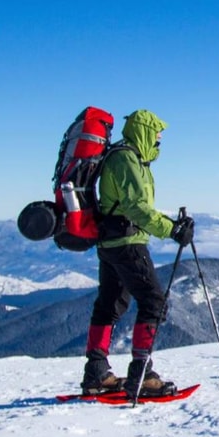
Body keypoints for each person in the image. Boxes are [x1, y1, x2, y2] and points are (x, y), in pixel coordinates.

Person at [79, 109, 195, 397]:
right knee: (153, 302)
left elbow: (130, 204)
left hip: (111, 242)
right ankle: (142, 374)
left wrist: (171, 225)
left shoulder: (128, 158)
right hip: (127, 243)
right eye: (156, 132)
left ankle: (97, 373)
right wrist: (172, 230)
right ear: (143, 130)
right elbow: (136, 208)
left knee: (109, 305)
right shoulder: (126, 159)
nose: (160, 138)